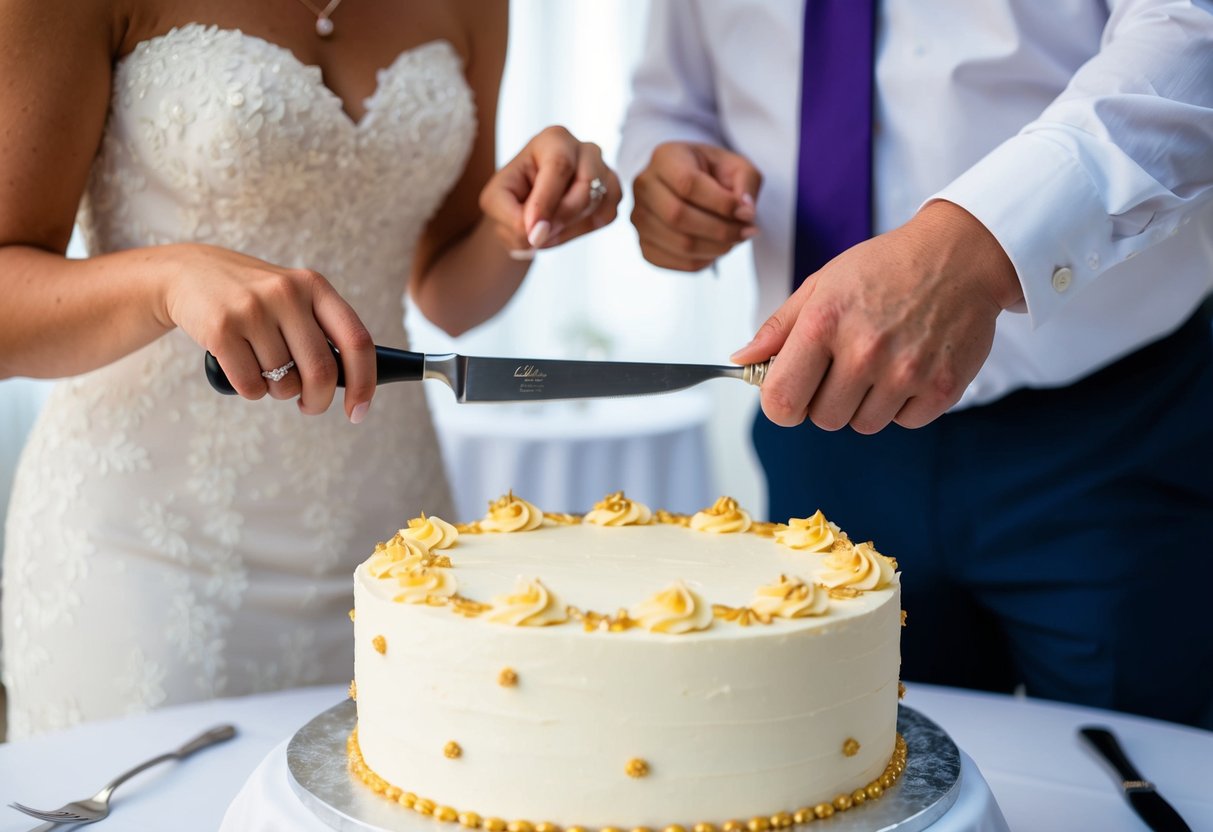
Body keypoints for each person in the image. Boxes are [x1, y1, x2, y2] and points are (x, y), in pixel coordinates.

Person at [0, 0, 621, 738]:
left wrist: (517, 225)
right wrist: (170, 280)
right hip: (144, 556)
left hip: (392, 544)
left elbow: (446, 295)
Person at [620, 0, 1213, 728]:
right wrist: (667, 171)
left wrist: (975, 246)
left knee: (1134, 779)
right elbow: (669, 98)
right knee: (838, 765)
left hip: (1113, 438)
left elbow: (1190, 35)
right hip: (824, 432)